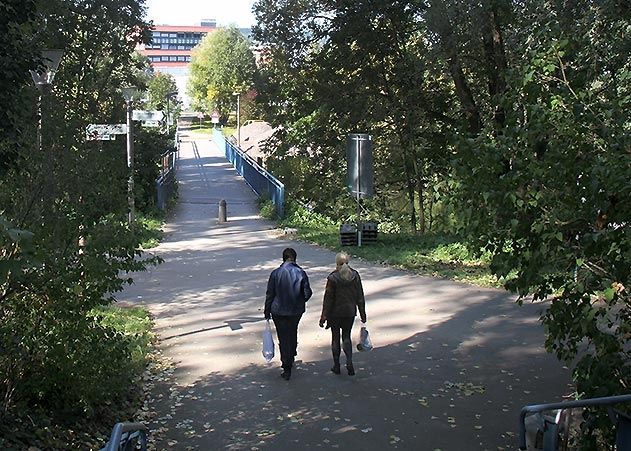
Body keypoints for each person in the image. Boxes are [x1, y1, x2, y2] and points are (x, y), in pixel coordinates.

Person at [264, 247, 312, 380]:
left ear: (283, 258)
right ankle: (291, 354)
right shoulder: (301, 273)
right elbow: (307, 293)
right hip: (295, 310)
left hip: (278, 310)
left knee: (283, 337)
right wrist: (299, 299)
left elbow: (270, 294)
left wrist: (267, 311)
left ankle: (286, 365)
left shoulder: (275, 273)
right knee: (292, 331)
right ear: (295, 258)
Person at [319, 252, 367, 376]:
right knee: (346, 337)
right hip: (349, 312)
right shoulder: (355, 276)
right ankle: (349, 363)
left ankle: (336, 365)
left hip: (335, 313)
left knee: (335, 338)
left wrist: (323, 316)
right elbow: (360, 296)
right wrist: (362, 313)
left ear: (337, 263)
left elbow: (328, 299)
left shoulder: (333, 278)